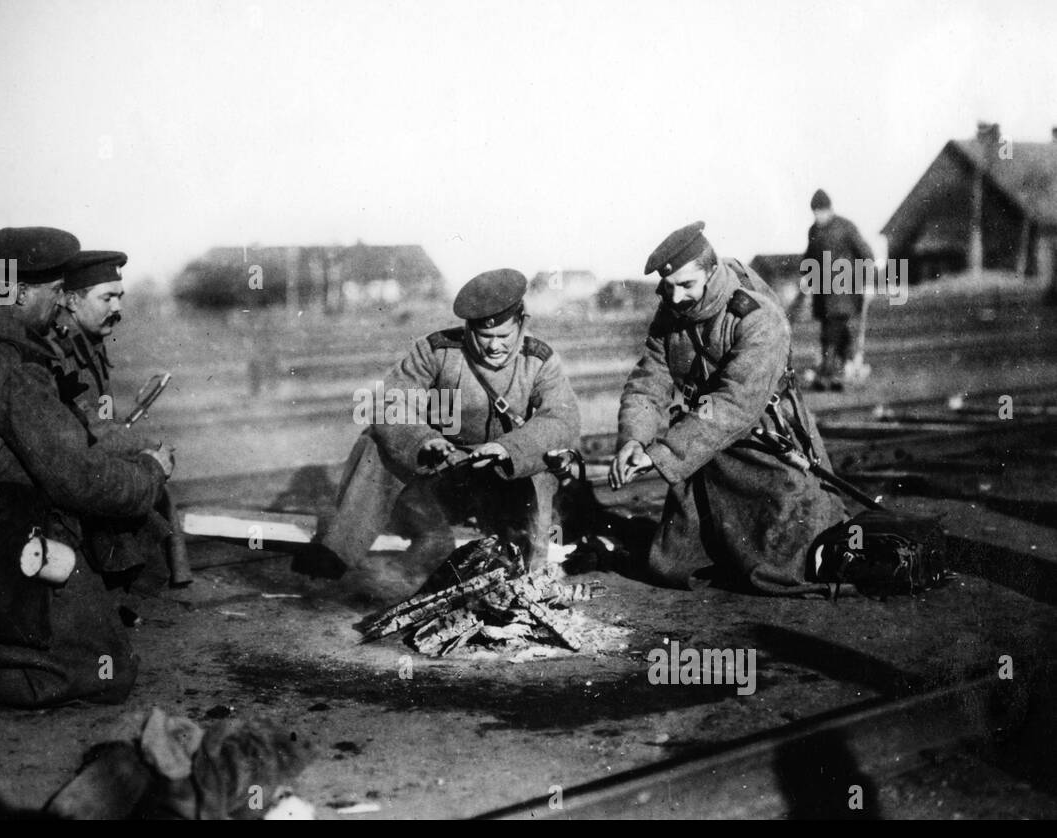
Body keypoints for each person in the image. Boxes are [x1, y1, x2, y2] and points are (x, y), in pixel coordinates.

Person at [0, 227, 175, 707]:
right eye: (55, 293)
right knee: (112, 672)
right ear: (17, 291)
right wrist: (150, 473)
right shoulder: (15, 372)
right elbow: (82, 481)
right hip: (9, 547)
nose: (60, 305)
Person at [294, 269, 581, 578]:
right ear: (469, 328)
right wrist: (423, 439)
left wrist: (509, 449)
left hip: (503, 476)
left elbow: (562, 418)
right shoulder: (435, 351)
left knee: (544, 465)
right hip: (443, 473)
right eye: (485, 337)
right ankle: (338, 552)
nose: (495, 346)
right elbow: (392, 404)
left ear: (521, 323)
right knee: (373, 444)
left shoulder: (539, 360)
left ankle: (527, 569)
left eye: (503, 337)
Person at [611, 222, 846, 594]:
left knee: (791, 554)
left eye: (687, 285)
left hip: (765, 440)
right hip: (701, 440)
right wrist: (634, 440)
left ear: (712, 270)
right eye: (668, 288)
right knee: (672, 565)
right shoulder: (671, 312)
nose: (675, 299)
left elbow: (734, 404)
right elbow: (648, 382)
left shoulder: (757, 317)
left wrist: (663, 454)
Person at [51, 250, 182, 589]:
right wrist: (149, 448)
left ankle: (129, 583)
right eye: (107, 297)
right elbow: (93, 429)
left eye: (119, 297)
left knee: (149, 473)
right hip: (67, 470)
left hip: (83, 455)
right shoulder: (63, 352)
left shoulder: (89, 343)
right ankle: (126, 585)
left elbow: (101, 416)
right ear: (71, 301)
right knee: (149, 473)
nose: (117, 308)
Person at [803, 189, 874, 391]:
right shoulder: (813, 231)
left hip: (844, 291)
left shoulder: (846, 227)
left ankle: (829, 371)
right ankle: (841, 372)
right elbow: (809, 259)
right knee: (838, 333)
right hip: (822, 293)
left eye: (821, 212)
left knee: (831, 332)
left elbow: (866, 254)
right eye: (815, 212)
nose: (818, 216)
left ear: (829, 210)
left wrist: (869, 283)